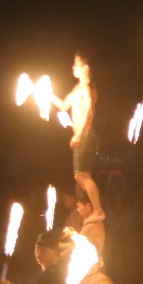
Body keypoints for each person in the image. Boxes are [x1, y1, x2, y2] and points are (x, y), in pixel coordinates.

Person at [52, 52, 105, 223]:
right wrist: (46, 93)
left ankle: (98, 210)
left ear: (85, 68)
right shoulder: (77, 89)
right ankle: (88, 209)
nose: (73, 67)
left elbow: (89, 110)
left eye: (76, 64)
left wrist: (80, 133)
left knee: (83, 175)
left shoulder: (87, 87)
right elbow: (63, 105)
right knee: (78, 177)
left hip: (86, 134)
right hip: (82, 136)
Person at [74, 193, 105, 263]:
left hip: (91, 268)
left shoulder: (92, 226)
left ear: (88, 206)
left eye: (79, 206)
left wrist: (57, 254)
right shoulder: (91, 223)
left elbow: (74, 246)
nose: (77, 210)